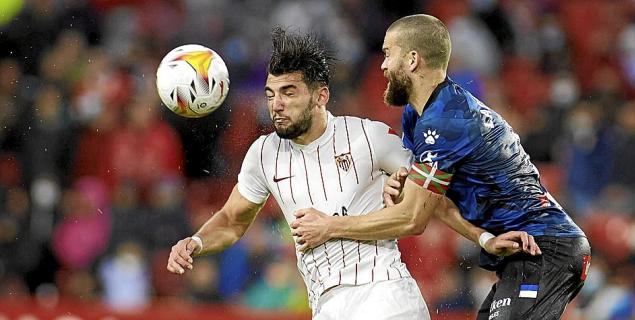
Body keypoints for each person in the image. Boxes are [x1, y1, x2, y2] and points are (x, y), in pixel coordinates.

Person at [167, 27, 537, 320]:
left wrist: (484, 237)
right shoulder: (263, 154)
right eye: (270, 94)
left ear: (320, 96)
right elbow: (233, 220)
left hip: (384, 294)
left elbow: (430, 199)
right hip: (326, 305)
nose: (276, 105)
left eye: (289, 93)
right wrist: (196, 242)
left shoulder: (367, 136)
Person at [291, 14, 590, 320]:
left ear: (411, 60)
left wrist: (330, 227)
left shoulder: (447, 120)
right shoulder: (417, 118)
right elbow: (432, 200)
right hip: (522, 253)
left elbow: (412, 218)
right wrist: (482, 237)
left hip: (546, 248)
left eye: (387, 53)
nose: (381, 66)